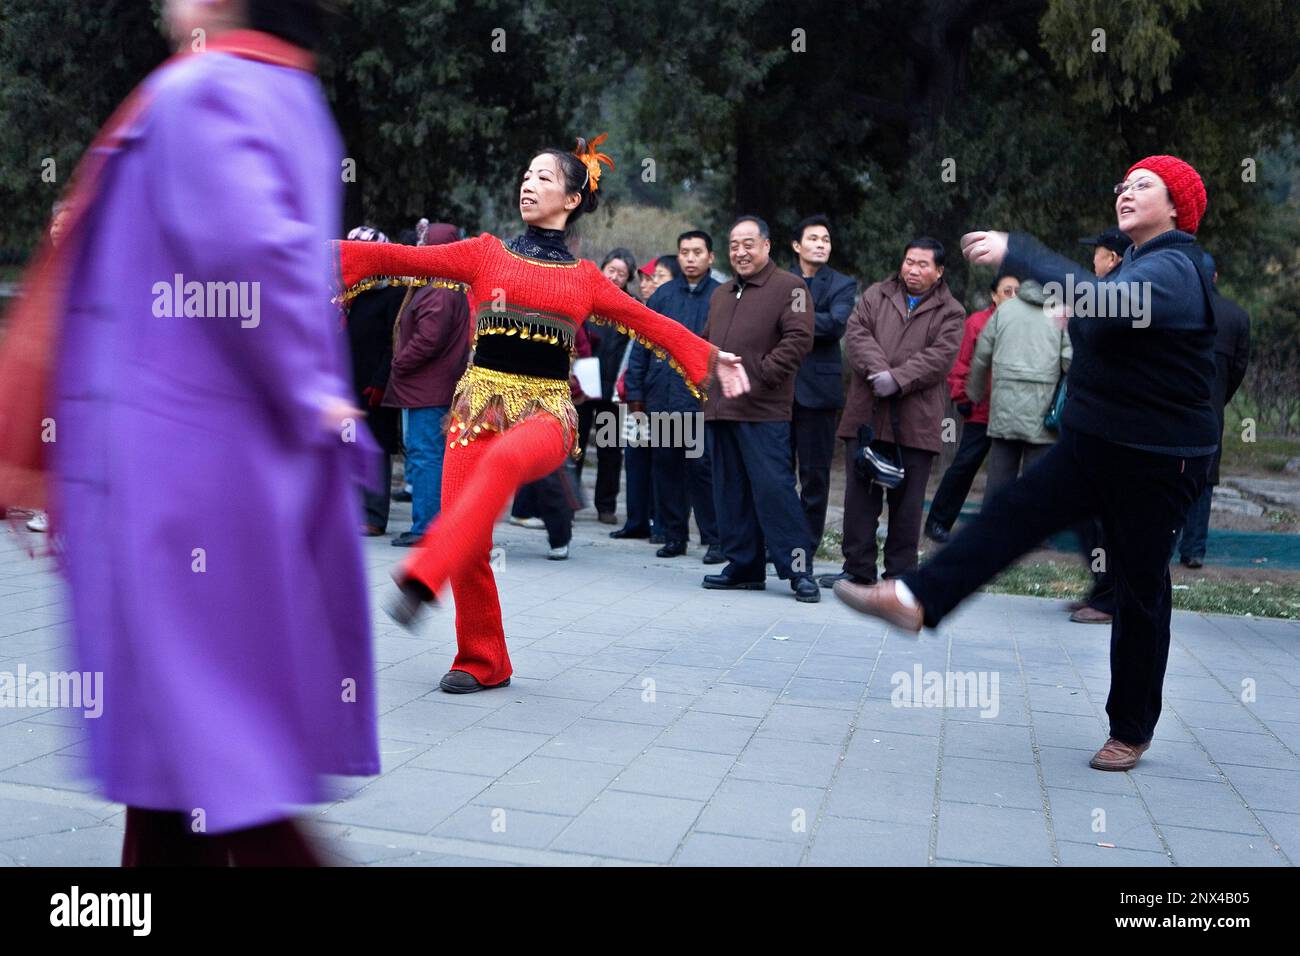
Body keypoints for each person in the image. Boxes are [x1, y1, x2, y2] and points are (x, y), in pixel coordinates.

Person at [0, 0, 379, 865]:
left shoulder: (203, 90)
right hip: (217, 459)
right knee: (176, 756)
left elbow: (247, 251)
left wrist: (310, 386)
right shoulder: (289, 91)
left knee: (207, 736)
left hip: (173, 475)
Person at [835, 155, 1219, 773]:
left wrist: (1022, 252)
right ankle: (918, 599)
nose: (1124, 191)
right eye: (1122, 183)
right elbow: (1110, 312)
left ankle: (1131, 727)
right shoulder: (1137, 266)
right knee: (1010, 513)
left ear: (1177, 207)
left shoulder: (1178, 265)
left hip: (1157, 459)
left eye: (1143, 185)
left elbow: (1116, 306)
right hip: (1096, 443)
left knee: (1140, 585)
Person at [336, 136, 750, 692]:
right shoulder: (483, 253)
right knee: (469, 538)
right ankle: (482, 661)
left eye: (544, 178)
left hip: (546, 415)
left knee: (504, 463)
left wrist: (710, 357)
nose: (528, 185)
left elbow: (651, 323)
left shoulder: (584, 278)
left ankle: (422, 578)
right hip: (476, 407)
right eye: (525, 176)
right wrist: (316, 253)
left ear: (572, 199)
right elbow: (399, 257)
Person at [819, 238, 965, 588]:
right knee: (859, 499)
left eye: (923, 265)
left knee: (907, 503)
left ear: (939, 271)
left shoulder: (952, 311)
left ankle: (900, 574)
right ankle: (858, 568)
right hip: (867, 413)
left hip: (915, 421)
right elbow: (856, 335)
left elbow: (939, 358)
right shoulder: (876, 294)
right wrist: (879, 372)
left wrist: (897, 379)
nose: (913, 270)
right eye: (909, 262)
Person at [701, 216, 818, 602]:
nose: (741, 252)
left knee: (775, 490)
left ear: (767, 246)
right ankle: (744, 567)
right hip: (721, 409)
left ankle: (799, 571)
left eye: (748, 244)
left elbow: (800, 338)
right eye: (734, 245)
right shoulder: (720, 294)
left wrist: (762, 374)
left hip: (764, 409)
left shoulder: (791, 287)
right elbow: (707, 343)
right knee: (729, 492)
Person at [625, 230, 724, 561]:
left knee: (702, 469)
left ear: (711, 257)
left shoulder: (721, 296)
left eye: (698, 252)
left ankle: (714, 539)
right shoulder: (663, 296)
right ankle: (673, 535)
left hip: (701, 401)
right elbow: (642, 345)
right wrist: (636, 395)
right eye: (685, 252)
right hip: (663, 396)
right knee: (667, 468)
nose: (691, 258)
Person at [384, 223, 471, 547]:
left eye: (423, 243)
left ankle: (427, 528)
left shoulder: (439, 289)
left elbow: (427, 340)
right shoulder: (447, 286)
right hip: (431, 387)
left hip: (427, 389)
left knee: (425, 456)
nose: (418, 249)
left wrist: (399, 362)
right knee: (428, 454)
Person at [924, 272, 1020, 543]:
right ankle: (938, 522)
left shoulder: (1026, 324)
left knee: (1008, 473)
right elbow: (962, 363)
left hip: (1015, 412)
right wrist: (962, 397)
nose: (1013, 297)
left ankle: (1005, 531)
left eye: (1017, 292)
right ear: (994, 295)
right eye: (1007, 291)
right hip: (981, 409)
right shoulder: (977, 322)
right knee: (965, 465)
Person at [1068, 227, 1131, 624]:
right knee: (1087, 514)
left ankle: (1110, 598)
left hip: (1113, 426)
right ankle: (1100, 588)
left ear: (1113, 258)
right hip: (1090, 419)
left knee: (1108, 519)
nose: (1092, 260)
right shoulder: (1102, 295)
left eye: (1098, 253)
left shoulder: (1120, 297)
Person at [788, 215, 857, 549]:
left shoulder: (843, 284)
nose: (820, 244)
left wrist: (792, 321)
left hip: (819, 393)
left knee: (815, 476)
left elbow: (835, 325)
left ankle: (807, 544)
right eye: (813, 238)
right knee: (777, 472)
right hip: (779, 388)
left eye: (826, 240)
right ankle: (779, 541)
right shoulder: (779, 280)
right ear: (797, 246)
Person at [967, 279, 1071, 501]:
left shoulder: (1005, 310)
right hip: (1042, 410)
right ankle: (1033, 535)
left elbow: (981, 355)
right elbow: (1068, 361)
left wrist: (975, 392)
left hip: (1004, 408)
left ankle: (992, 533)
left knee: (998, 482)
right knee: (1037, 486)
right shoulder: (1060, 313)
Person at [1177, 252, 1250, 568]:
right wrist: (1220, 398)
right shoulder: (1237, 316)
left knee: (1168, 475)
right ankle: (1194, 550)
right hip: (1211, 409)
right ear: (1216, 277)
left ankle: (1161, 543)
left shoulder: (1176, 309)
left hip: (1173, 406)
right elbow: (1239, 368)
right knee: (1204, 480)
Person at [343, 226, 405, 536]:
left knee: (377, 447)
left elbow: (395, 342)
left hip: (374, 387)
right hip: (346, 383)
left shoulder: (393, 292)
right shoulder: (350, 292)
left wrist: (381, 380)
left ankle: (374, 515)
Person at [576, 248, 633, 524]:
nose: (615, 277)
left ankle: (606, 506)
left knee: (610, 450)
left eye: (622, 273)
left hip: (613, 391)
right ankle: (571, 502)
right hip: (583, 386)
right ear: (602, 269)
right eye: (612, 270)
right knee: (574, 445)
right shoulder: (585, 299)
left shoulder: (631, 307)